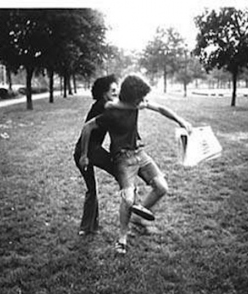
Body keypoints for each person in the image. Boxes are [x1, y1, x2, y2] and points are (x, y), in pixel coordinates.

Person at [79, 74, 193, 254]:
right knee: (128, 198)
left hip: (140, 154)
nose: (144, 100)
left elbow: (161, 108)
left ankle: (139, 218)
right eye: (140, 97)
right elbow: (87, 128)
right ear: (132, 98)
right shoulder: (111, 112)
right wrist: (84, 154)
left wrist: (181, 121)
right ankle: (122, 238)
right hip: (123, 160)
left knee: (162, 187)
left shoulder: (136, 105)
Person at [73, 75, 119, 236]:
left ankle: (89, 227)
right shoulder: (103, 105)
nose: (116, 92)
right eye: (113, 90)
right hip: (86, 150)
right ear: (104, 93)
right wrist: (84, 155)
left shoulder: (105, 105)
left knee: (92, 189)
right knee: (119, 172)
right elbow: (86, 129)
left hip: (88, 150)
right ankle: (134, 203)